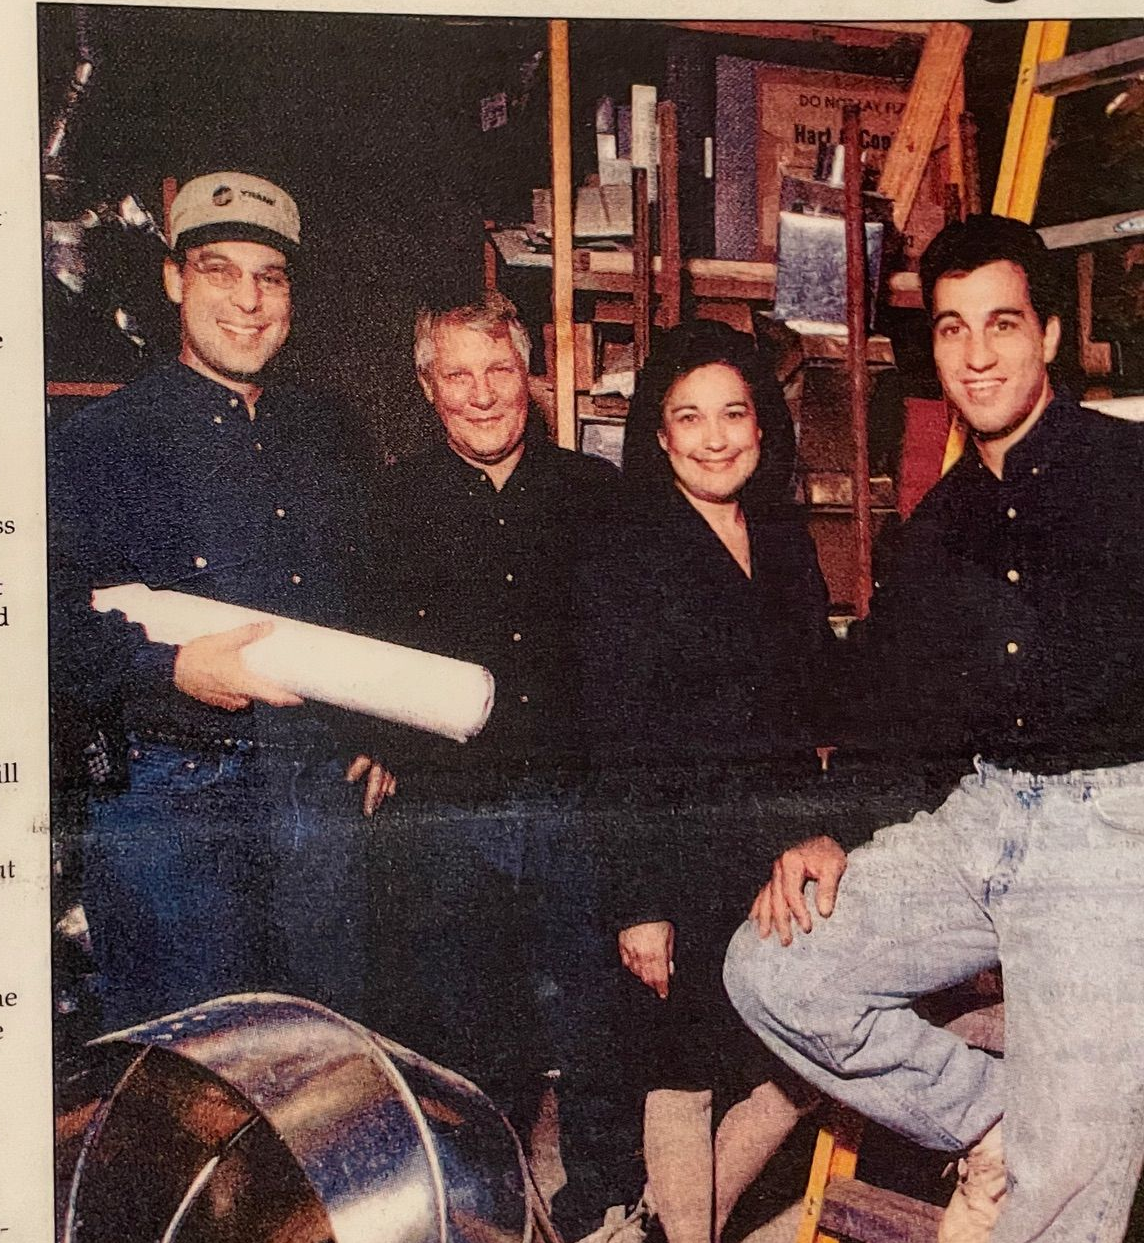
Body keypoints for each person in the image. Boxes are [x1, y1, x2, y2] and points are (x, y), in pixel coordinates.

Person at [724, 214, 1144, 1243]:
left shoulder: (1132, 471)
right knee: (774, 967)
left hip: (1111, 828)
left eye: (1002, 322)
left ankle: (1048, 1140)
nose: (978, 351)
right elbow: (893, 702)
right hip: (980, 810)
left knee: (1062, 1191)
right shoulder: (939, 519)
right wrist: (834, 824)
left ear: (1047, 333)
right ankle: (993, 1118)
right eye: (953, 328)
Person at [47, 170, 384, 1032]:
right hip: (172, 801)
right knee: (199, 1080)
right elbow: (37, 629)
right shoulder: (97, 441)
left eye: (269, 277)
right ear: (173, 280)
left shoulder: (329, 436)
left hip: (315, 799)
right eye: (217, 270)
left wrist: (381, 732)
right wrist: (171, 668)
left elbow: (374, 598)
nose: (247, 300)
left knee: (323, 1067)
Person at [578, 321, 831, 1243]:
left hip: (773, 852)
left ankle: (669, 1228)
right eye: (690, 417)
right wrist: (641, 903)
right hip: (672, 853)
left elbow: (810, 710)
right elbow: (613, 739)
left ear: (763, 427)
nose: (715, 436)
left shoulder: (785, 541)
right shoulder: (626, 549)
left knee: (804, 1052)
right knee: (681, 1072)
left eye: (734, 413)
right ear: (658, 434)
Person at [364, 290, 621, 1191]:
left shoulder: (598, 497)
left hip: (571, 804)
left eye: (499, 371)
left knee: (595, 1019)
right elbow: (354, 640)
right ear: (428, 389)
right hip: (446, 807)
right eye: (458, 376)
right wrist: (366, 737)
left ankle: (603, 1198)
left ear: (531, 377)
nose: (482, 396)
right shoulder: (388, 504)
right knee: (463, 1029)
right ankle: (478, 1202)